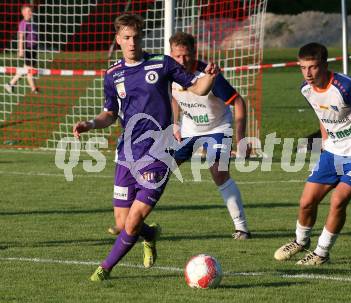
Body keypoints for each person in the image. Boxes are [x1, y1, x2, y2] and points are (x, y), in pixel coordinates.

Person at [73, 14, 219, 281]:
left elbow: (197, 88)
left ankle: (104, 268)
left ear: (142, 38)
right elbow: (110, 113)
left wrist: (208, 77)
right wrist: (91, 123)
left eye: (136, 37)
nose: (132, 43)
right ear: (118, 40)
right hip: (126, 155)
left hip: (158, 155)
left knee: (132, 220)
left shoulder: (162, 63)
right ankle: (149, 235)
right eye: (126, 38)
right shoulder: (113, 75)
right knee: (122, 223)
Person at [274, 42, 351, 265]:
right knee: (307, 201)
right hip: (333, 152)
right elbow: (321, 113)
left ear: (325, 65)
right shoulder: (306, 89)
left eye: (313, 67)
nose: (307, 73)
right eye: (303, 67)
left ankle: (321, 253)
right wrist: (325, 141)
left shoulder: (346, 87)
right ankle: (300, 241)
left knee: (338, 200)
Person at [169, 32, 251, 240]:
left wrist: (241, 139)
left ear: (194, 53)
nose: (182, 61)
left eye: (186, 55)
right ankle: (132, 221)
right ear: (171, 54)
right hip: (189, 130)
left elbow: (238, 102)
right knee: (160, 168)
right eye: (177, 56)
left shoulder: (209, 74)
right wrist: (174, 124)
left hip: (218, 127)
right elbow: (174, 97)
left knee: (218, 171)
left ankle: (242, 228)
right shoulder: (170, 72)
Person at [4, 4, 39, 94]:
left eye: (31, 11)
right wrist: (20, 49)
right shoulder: (23, 23)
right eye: (28, 11)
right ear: (23, 13)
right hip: (28, 49)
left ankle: (10, 84)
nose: (30, 13)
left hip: (33, 48)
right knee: (29, 69)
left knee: (26, 69)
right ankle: (34, 89)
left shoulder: (32, 22)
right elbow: (21, 37)